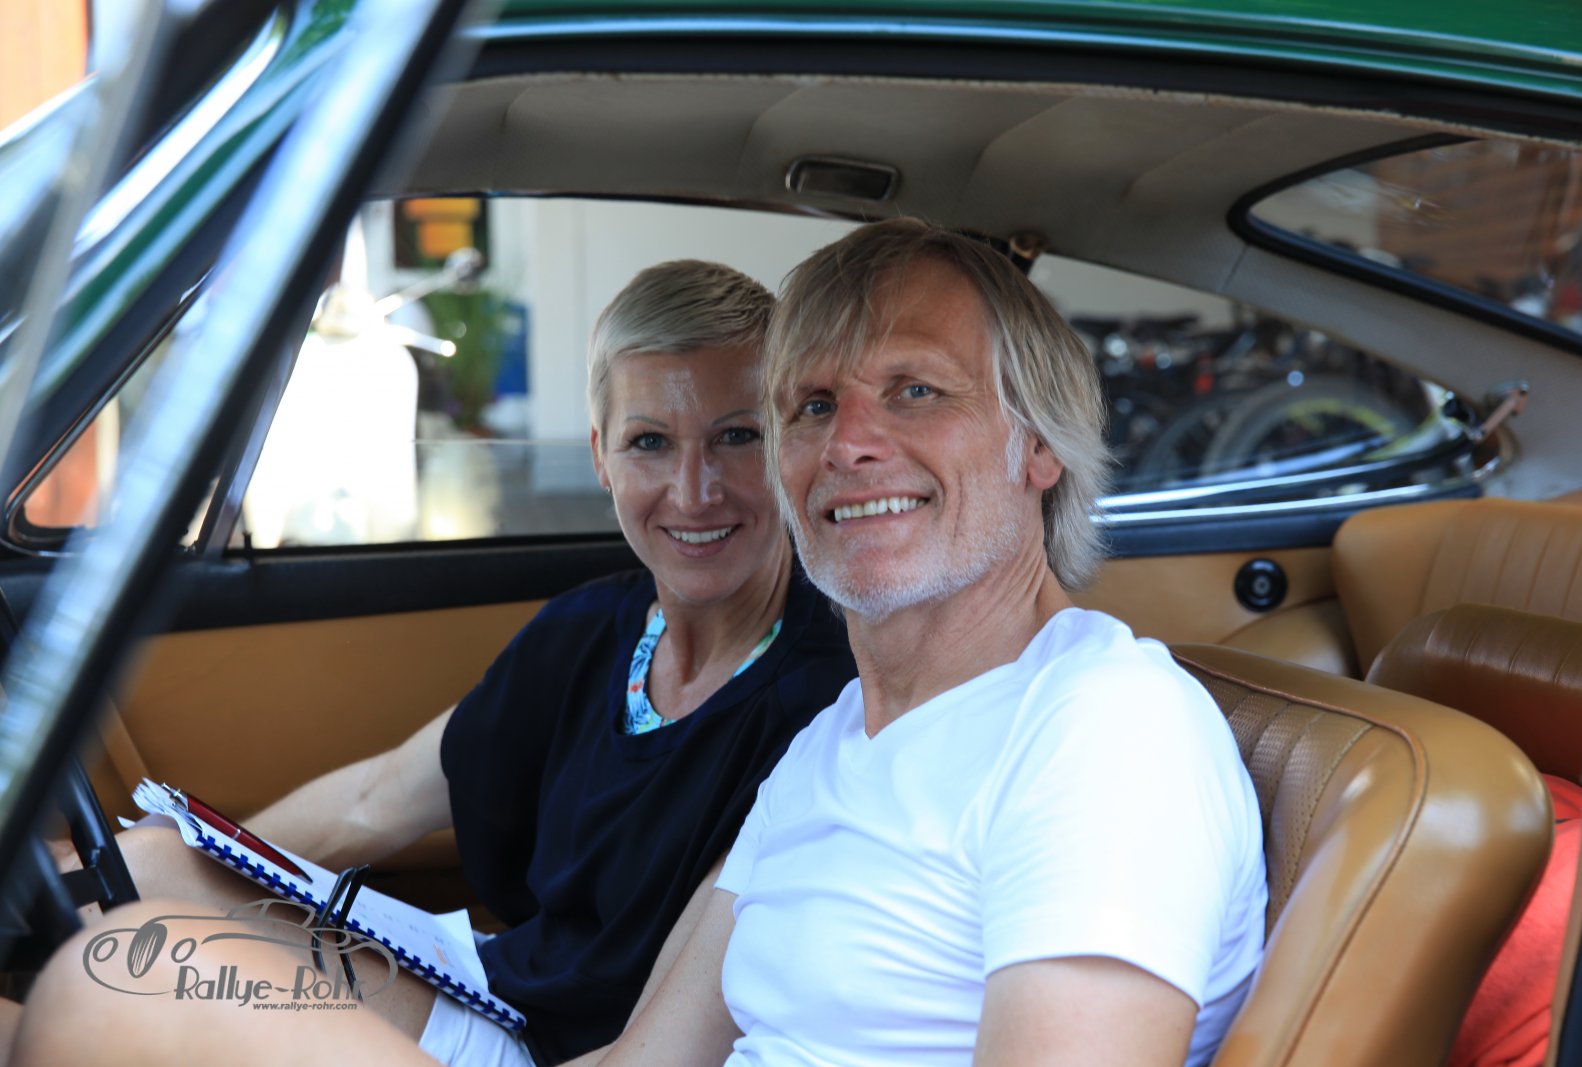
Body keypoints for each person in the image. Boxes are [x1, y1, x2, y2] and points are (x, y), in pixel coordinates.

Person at [14, 221, 1263, 1067]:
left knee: (118, 986)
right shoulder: (841, 742)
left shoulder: (1104, 729)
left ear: (1039, 446)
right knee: (124, 957)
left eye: (916, 390)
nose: (850, 442)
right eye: (812, 405)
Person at [93, 259, 858, 1067]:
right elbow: (375, 799)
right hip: (488, 984)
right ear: (601, 456)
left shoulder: (822, 701)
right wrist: (188, 863)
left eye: (737, 436)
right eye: (649, 442)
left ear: (790, 445)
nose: (693, 490)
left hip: (547, 1051)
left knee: (153, 929)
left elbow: (666, 1044)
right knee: (150, 869)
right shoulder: (588, 630)